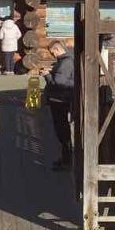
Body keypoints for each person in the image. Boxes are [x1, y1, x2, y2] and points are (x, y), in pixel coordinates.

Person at [44, 39, 76, 173]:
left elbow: (59, 82)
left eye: (53, 53)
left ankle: (66, 160)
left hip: (60, 100)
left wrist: (47, 75)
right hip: (60, 99)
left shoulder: (66, 62)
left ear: (57, 49)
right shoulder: (65, 61)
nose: (53, 55)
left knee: (62, 131)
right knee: (62, 131)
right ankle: (65, 159)